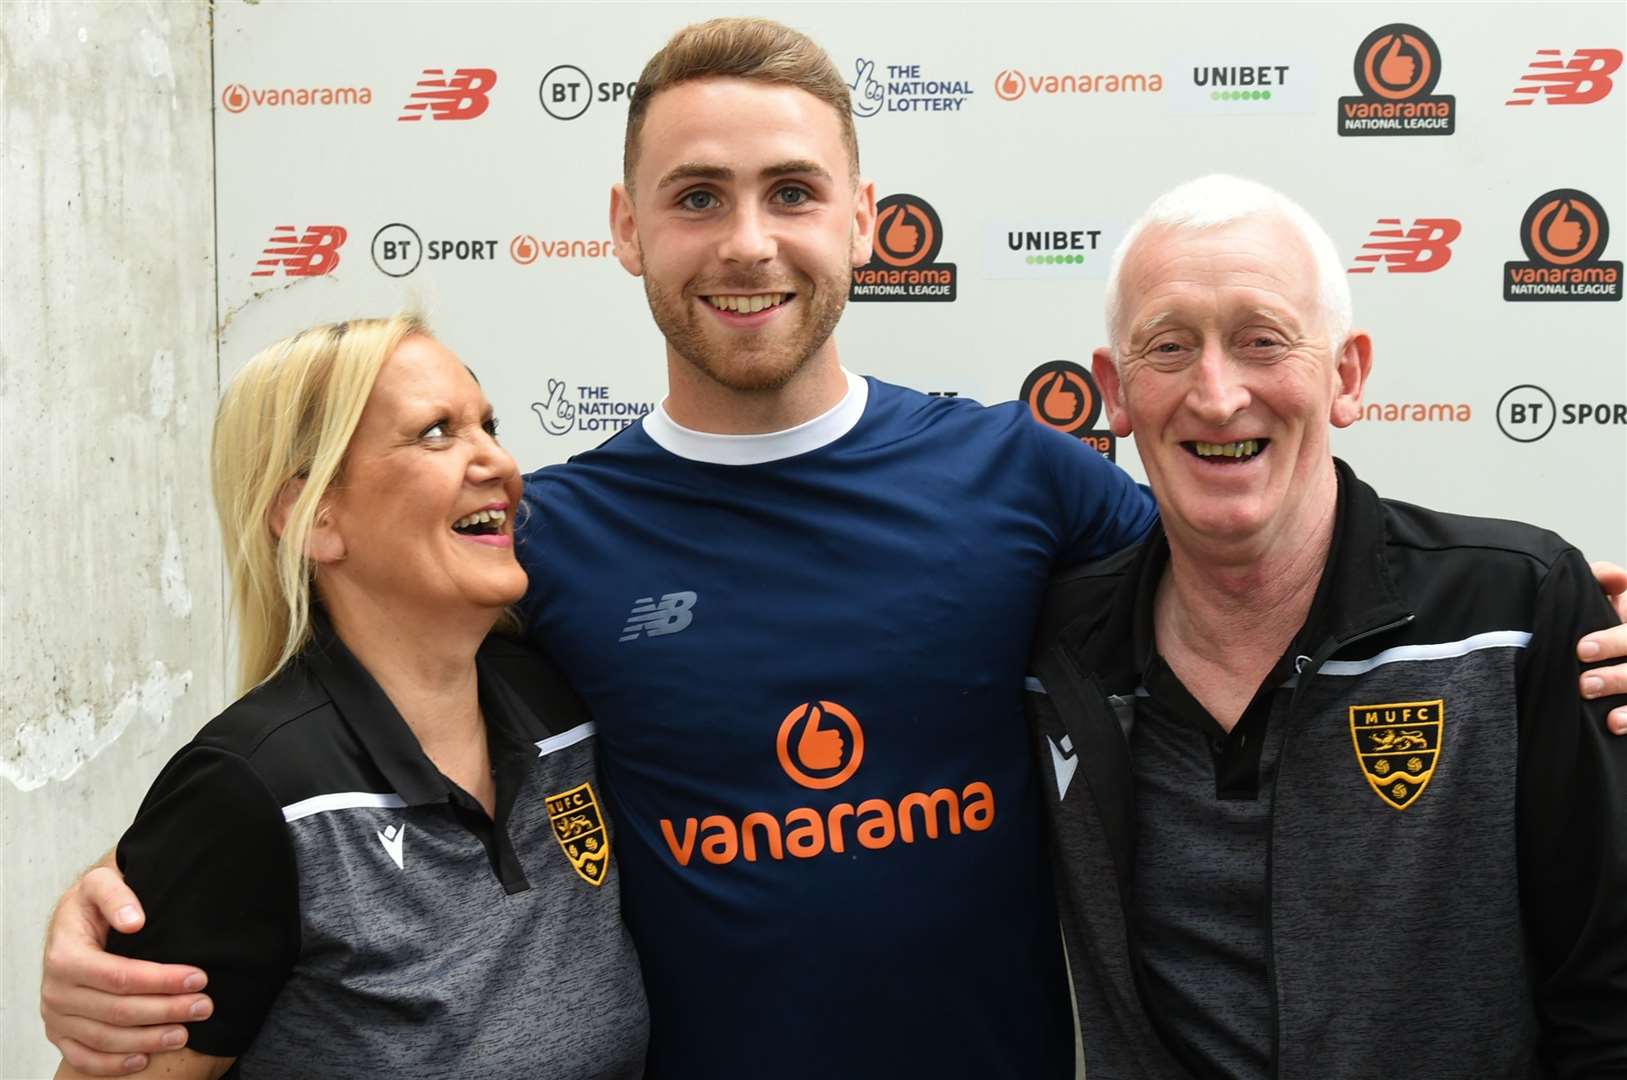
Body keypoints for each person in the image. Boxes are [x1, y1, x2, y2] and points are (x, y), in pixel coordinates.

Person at [38, 19, 1627, 1080]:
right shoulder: (545, 541)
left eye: (791, 192)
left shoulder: (1018, 472)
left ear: (864, 217)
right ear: (622, 228)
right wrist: (129, 913)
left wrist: (1573, 626)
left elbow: (1262, 565)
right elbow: (366, 747)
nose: (746, 241)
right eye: (697, 196)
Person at [1026, 174, 1627, 1079]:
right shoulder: (1046, 644)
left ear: (1345, 376)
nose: (1218, 395)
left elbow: (1609, 997)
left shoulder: (1515, 616)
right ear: (1114, 391)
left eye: (1261, 341)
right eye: (1169, 347)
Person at [52, 316, 648, 1079]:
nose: (498, 460)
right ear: (314, 518)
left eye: (487, 426)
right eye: (437, 433)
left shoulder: (558, 693)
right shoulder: (248, 794)